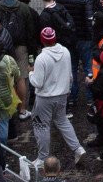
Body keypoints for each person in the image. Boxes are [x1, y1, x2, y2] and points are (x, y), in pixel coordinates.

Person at [30, 26, 86, 170]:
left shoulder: (41, 58)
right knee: (62, 121)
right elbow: (70, 75)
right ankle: (78, 149)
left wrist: (31, 74)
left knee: (41, 126)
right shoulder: (65, 52)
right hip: (62, 95)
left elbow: (37, 82)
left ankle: (42, 158)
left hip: (45, 98)